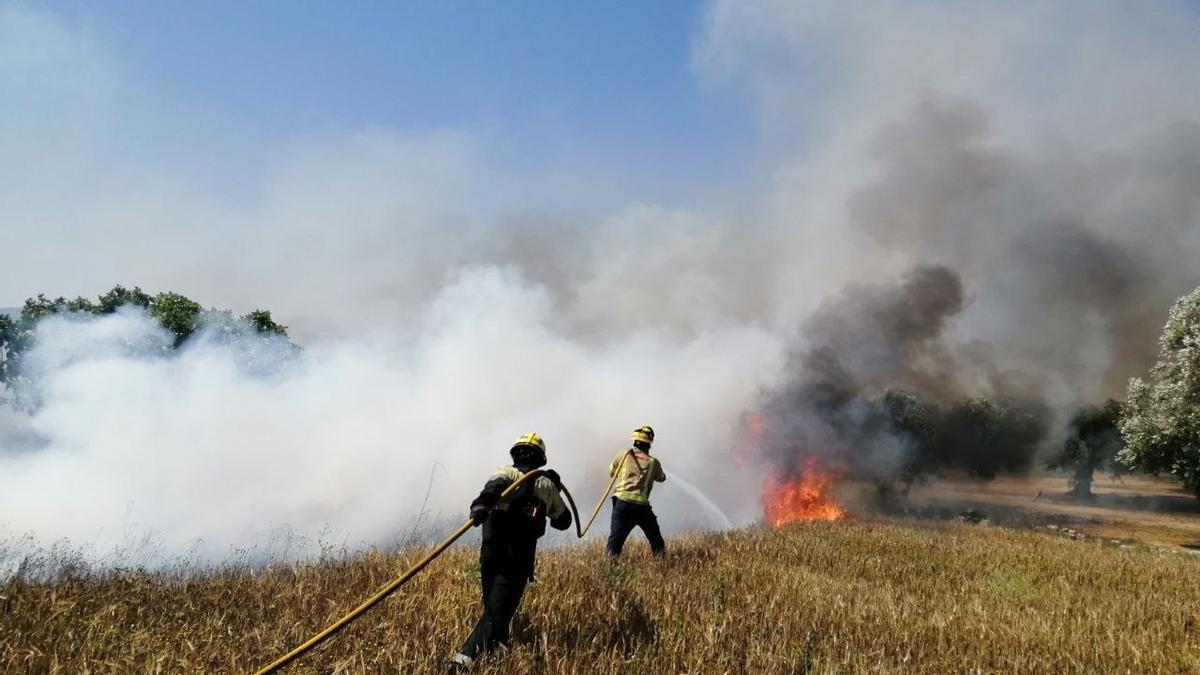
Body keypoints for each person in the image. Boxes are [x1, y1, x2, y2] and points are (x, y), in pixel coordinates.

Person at [450, 433, 571, 670]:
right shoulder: (546, 485)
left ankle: (497, 651)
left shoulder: (504, 471)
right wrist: (554, 488)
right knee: (496, 610)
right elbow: (563, 521)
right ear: (541, 458)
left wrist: (480, 506)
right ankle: (463, 660)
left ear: (515, 453)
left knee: (495, 607)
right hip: (518, 558)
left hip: (490, 552)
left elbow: (490, 490)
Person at [606, 425, 666, 558]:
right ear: (649, 444)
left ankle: (610, 564)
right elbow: (662, 478)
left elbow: (611, 472)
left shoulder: (623, 455)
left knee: (615, 540)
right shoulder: (653, 463)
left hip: (621, 505)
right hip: (641, 508)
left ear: (635, 441)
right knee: (656, 540)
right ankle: (662, 562)